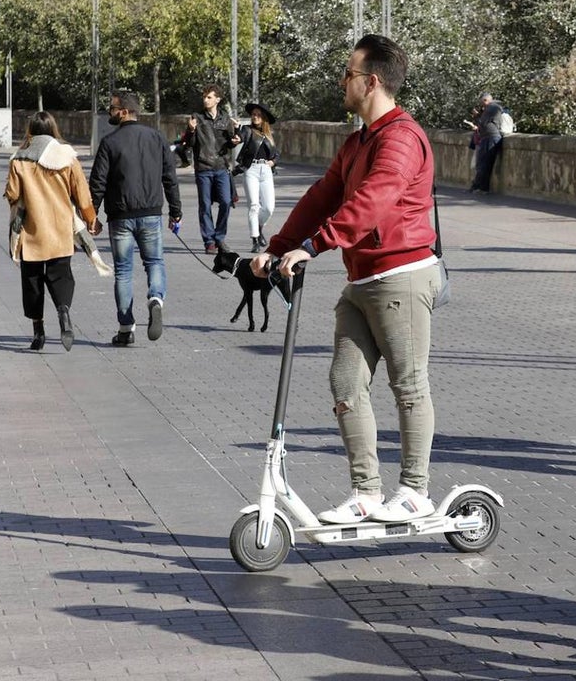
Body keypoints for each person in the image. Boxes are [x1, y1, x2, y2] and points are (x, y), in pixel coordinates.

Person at [252, 34, 442, 524]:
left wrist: (315, 245)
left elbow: (373, 200)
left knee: (408, 384)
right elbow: (322, 196)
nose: (342, 82)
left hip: (401, 276)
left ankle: (416, 490)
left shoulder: (400, 138)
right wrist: (275, 248)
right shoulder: (358, 140)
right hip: (361, 280)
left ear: (371, 81)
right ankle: (367, 492)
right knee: (345, 382)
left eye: (348, 73)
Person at [89, 91, 182, 347]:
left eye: (112, 108)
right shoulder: (157, 138)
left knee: (123, 271)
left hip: (120, 216)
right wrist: (176, 212)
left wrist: (91, 215)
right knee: (154, 262)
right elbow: (169, 177)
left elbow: (97, 182)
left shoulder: (109, 142)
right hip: (151, 212)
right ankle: (156, 299)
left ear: (125, 111)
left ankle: (126, 328)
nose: (110, 112)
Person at [4, 111, 100, 352]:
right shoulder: (67, 156)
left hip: (32, 230)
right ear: (53, 129)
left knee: (32, 281)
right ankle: (64, 311)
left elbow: (13, 194)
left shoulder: (19, 159)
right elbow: (82, 194)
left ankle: (38, 333)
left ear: (30, 131)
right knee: (61, 275)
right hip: (60, 229)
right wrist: (90, 220)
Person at [188, 84, 237, 254]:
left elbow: (230, 142)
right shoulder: (197, 117)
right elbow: (190, 144)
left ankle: (219, 237)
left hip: (222, 167)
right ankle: (209, 241)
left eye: (209, 97)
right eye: (204, 97)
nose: (205, 100)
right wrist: (191, 130)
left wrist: (235, 140)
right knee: (205, 205)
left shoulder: (225, 118)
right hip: (203, 167)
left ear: (218, 99)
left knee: (225, 201)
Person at [230, 102, 281, 253]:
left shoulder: (269, 134)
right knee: (254, 206)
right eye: (253, 114)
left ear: (264, 117)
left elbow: (276, 154)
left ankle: (258, 226)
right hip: (251, 169)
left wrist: (273, 162)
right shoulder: (247, 130)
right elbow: (241, 136)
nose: (255, 117)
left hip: (266, 170)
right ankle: (255, 239)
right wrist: (237, 136)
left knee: (269, 208)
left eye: (258, 115)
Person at [468, 92, 504, 194]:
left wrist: (477, 116)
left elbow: (483, 122)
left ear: (485, 100)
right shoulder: (493, 108)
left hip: (491, 137)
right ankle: (480, 187)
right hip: (488, 137)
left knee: (484, 163)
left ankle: (482, 188)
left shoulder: (492, 108)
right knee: (483, 163)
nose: (481, 105)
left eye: (482, 103)